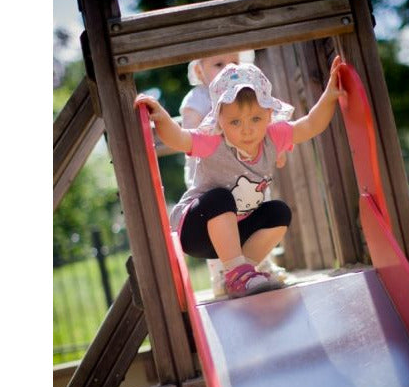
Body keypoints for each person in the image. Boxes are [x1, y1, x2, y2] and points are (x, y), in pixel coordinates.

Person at [134, 55, 346, 298]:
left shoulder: (272, 137)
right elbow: (180, 139)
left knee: (279, 212)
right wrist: (161, 116)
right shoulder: (213, 141)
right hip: (197, 227)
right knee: (221, 198)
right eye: (235, 121)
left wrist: (329, 96)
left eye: (255, 118)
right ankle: (238, 273)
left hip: (236, 230)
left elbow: (309, 125)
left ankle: (237, 275)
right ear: (220, 120)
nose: (247, 129)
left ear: (268, 115)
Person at [180, 51, 287, 296]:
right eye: (218, 64)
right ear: (199, 72)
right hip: (213, 177)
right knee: (218, 220)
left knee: (260, 207)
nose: (229, 68)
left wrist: (277, 149)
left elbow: (268, 127)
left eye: (235, 63)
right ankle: (221, 274)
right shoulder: (199, 97)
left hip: (247, 172)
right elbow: (189, 131)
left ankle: (259, 265)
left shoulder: (247, 97)